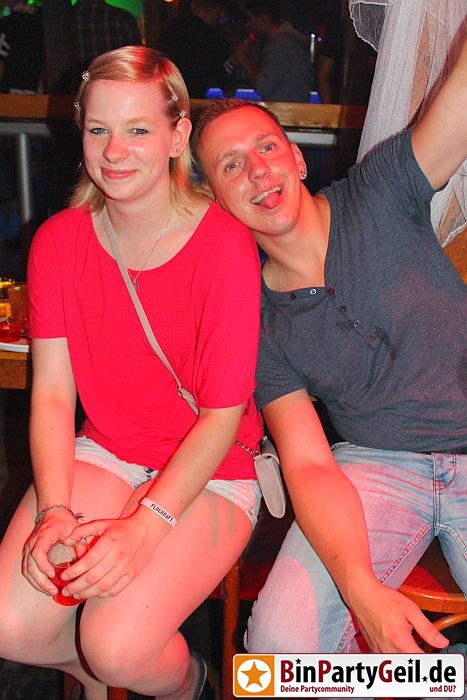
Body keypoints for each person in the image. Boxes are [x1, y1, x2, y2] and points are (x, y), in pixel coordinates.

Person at [191, 35, 467, 658]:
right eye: (231, 165)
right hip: (376, 464)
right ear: (215, 200)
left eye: (266, 148)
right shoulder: (256, 316)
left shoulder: (379, 191)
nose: (258, 171)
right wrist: (360, 588)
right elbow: (309, 463)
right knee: (275, 652)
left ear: (296, 158)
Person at [0, 45, 263, 700]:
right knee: (10, 624)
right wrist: (54, 511)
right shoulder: (58, 241)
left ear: (177, 137)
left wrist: (146, 527)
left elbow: (221, 417)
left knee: (116, 644)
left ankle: (193, 683)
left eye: (138, 129)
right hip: (109, 450)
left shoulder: (224, 245)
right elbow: (53, 395)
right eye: (99, 129)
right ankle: (98, 672)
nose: (115, 151)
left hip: (214, 468)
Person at [232, 0, 313, 103]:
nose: (247, 24)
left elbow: (262, 87)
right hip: (292, 109)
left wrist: (242, 58)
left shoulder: (280, 46)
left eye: (250, 19)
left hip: (284, 110)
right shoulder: (289, 41)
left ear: (264, 19)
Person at [159, 0, 234, 99]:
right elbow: (229, 88)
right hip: (193, 102)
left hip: (165, 98)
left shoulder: (170, 30)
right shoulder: (214, 39)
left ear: (193, 5)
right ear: (218, 9)